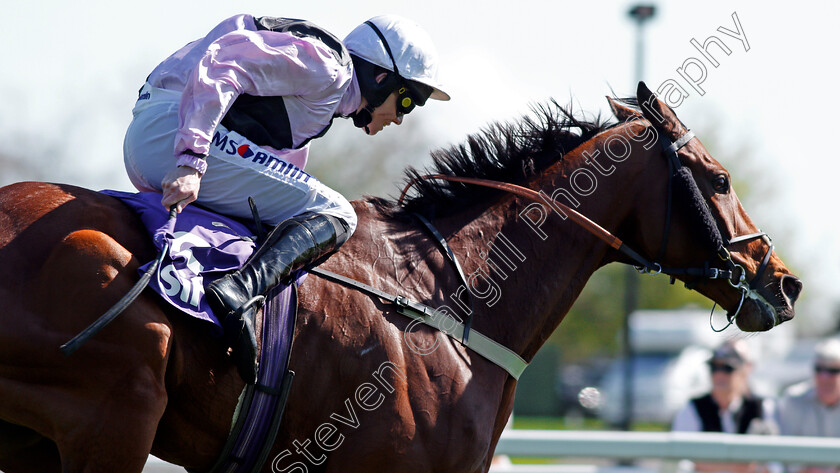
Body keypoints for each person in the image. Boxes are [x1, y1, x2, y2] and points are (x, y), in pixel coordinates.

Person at [122, 13, 449, 383]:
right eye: (407, 102)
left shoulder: (324, 100)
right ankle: (238, 295)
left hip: (160, 131)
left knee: (301, 209)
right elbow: (223, 63)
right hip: (170, 130)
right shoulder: (329, 68)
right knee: (338, 212)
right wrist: (191, 159)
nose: (401, 118)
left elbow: (283, 173)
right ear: (380, 78)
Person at [672, 340, 779, 473]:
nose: (719, 375)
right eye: (714, 368)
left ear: (746, 369)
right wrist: (741, 466)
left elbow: (773, 464)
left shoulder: (762, 407)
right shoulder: (693, 408)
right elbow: (683, 462)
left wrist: (709, 464)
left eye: (727, 368)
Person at [777, 338, 840, 473]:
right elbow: (785, 455)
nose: (824, 376)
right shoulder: (793, 399)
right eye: (819, 369)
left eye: (833, 371)